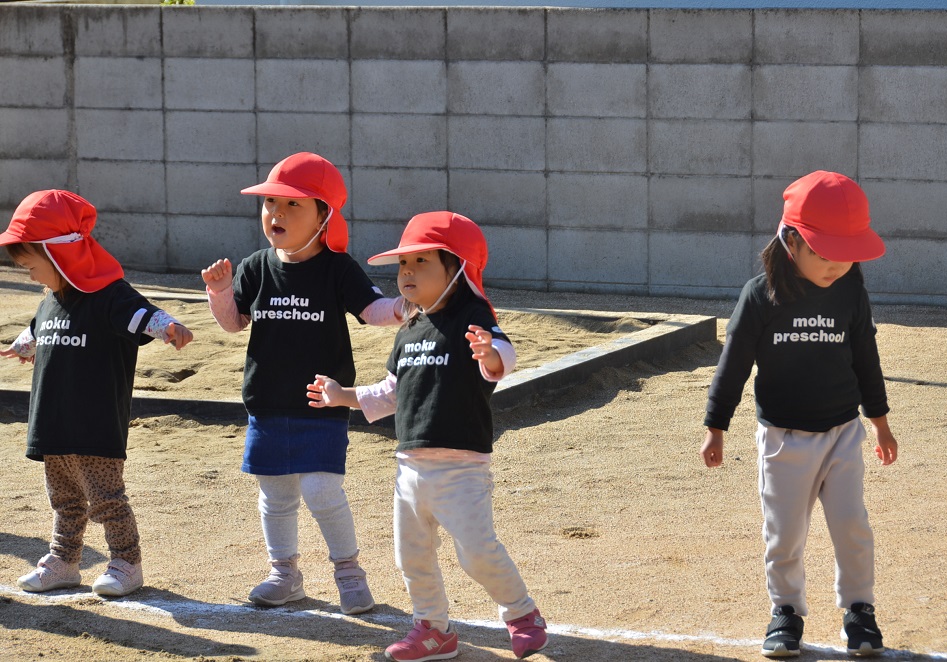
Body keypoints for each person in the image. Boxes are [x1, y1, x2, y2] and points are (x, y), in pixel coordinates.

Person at [306, 211, 548, 661]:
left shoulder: (472, 316)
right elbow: (392, 392)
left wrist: (489, 354)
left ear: (457, 268)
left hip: (462, 467)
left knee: (476, 552)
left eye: (421, 262)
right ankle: (433, 629)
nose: (407, 272)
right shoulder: (409, 329)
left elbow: (503, 358)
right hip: (410, 466)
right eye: (403, 264)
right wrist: (343, 396)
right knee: (411, 555)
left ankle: (522, 614)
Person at [700, 171, 899, 658]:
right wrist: (715, 426)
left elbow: (866, 360)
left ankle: (860, 611)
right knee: (784, 533)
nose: (837, 265)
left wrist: (880, 424)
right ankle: (786, 611)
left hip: (843, 434)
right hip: (783, 439)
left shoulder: (850, 292)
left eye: (847, 254)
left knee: (852, 527)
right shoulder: (760, 295)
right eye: (824, 253)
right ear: (791, 241)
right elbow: (734, 364)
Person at [201, 152, 406, 614]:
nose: (277, 212)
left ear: (323, 216)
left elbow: (371, 309)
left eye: (293, 204)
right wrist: (219, 291)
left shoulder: (337, 267)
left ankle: (349, 573)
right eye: (271, 203)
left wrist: (402, 308)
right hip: (267, 403)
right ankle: (284, 574)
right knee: (275, 494)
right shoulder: (256, 266)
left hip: (322, 402)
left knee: (321, 490)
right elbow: (234, 323)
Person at [0, 189, 193, 597]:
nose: (29, 276)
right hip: (53, 423)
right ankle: (64, 560)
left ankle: (126, 562)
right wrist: (23, 345)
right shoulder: (51, 300)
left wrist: (168, 327)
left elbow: (143, 314)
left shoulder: (109, 294)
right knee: (64, 498)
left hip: (95, 423)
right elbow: (38, 330)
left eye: (31, 266)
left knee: (106, 498)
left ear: (58, 253)